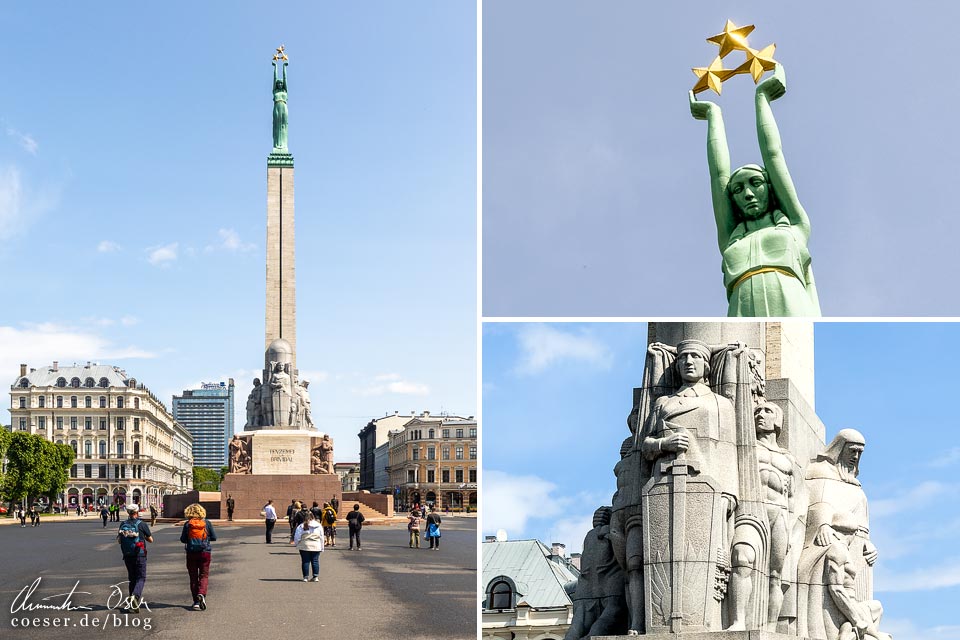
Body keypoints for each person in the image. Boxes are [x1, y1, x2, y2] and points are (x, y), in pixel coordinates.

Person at [689, 63, 820, 317]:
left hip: (790, 303)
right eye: (738, 189)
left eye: (755, 183)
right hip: (741, 307)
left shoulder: (795, 225)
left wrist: (762, 97)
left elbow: (773, 155)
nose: (747, 194)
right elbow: (718, 176)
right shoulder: (731, 237)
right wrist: (713, 115)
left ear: (769, 187)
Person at [179, 503, 218, 611]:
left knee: (193, 577)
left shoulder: (188, 524)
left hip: (191, 553)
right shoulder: (207, 523)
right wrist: (205, 538)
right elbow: (214, 537)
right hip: (205, 552)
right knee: (204, 575)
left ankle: (196, 602)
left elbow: (182, 539)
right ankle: (202, 593)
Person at [117, 504, 153, 613]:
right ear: (137, 512)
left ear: (128, 512)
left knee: (132, 578)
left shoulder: (123, 524)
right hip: (139, 553)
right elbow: (151, 540)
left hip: (127, 554)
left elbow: (119, 540)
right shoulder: (141, 524)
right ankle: (135, 596)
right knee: (141, 577)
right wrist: (143, 536)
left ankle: (132, 602)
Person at [291, 511, 324, 581]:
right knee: (315, 561)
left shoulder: (301, 526)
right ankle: (315, 576)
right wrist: (322, 547)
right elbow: (321, 537)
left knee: (305, 561)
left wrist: (297, 544)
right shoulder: (318, 525)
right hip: (316, 545)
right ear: (313, 517)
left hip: (304, 545)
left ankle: (305, 577)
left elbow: (297, 537)